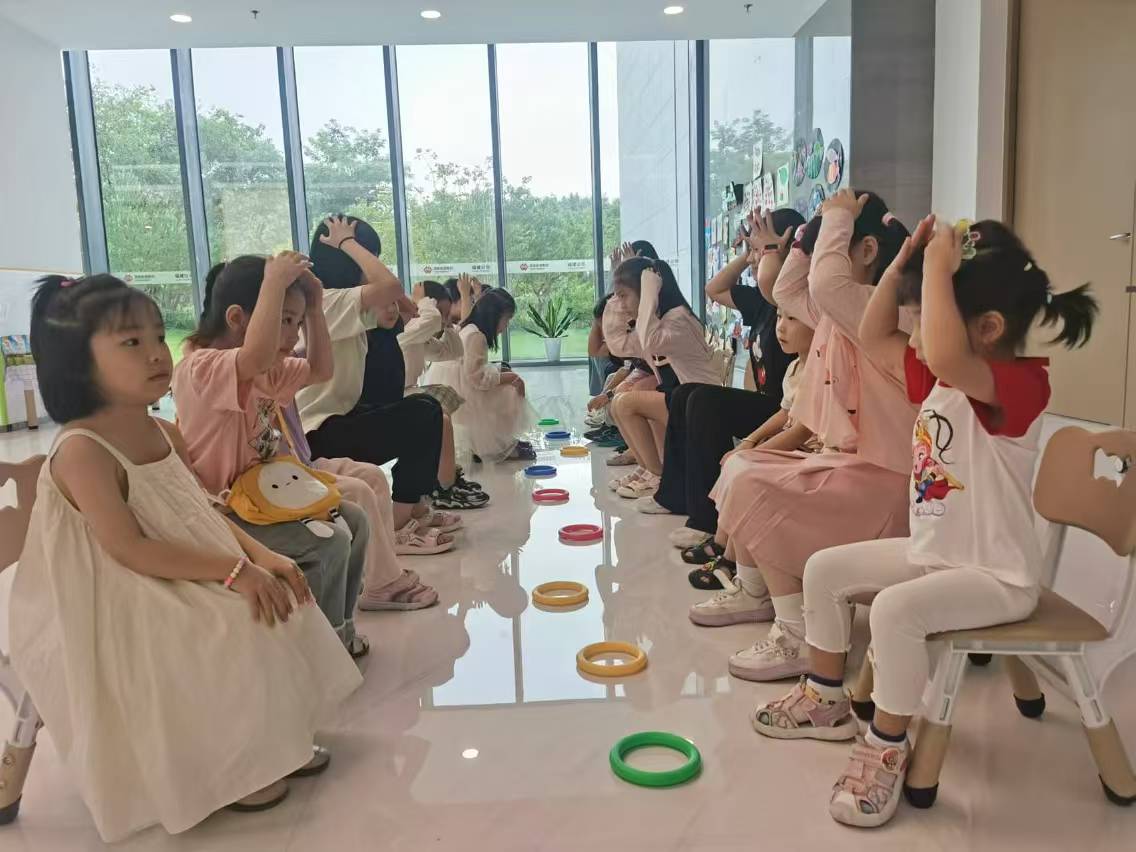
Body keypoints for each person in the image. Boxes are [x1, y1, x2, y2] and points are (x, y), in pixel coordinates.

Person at [752, 217, 1097, 828]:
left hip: (997, 577)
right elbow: (871, 330)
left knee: (893, 611)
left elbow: (939, 350)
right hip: (936, 555)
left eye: (928, 317)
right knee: (824, 568)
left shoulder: (1020, 385)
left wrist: (937, 267)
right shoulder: (942, 378)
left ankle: (887, 745)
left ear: (987, 329)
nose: (913, 337)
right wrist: (906, 258)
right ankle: (827, 699)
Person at [12, 274, 362, 841]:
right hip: (110, 592)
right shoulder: (82, 451)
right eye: (131, 342)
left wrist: (260, 557)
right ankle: (233, 769)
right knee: (225, 622)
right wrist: (234, 572)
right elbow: (128, 547)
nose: (157, 353)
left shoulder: (161, 432)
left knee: (278, 593)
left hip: (179, 562)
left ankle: (275, 742)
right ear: (78, 361)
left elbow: (204, 511)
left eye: (157, 336)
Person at [689, 190, 916, 684]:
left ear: (868, 250)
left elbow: (825, 286)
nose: (818, 266)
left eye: (832, 248)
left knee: (752, 482)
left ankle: (796, 634)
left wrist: (835, 216)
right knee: (742, 467)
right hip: (854, 469)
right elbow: (788, 290)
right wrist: (800, 239)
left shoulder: (886, 309)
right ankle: (758, 592)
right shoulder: (843, 312)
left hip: (886, 483)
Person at [173, 252, 372, 657]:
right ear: (236, 318)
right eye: (284, 321)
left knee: (356, 519)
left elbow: (321, 369)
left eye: (295, 324)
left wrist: (314, 309)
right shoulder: (202, 368)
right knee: (331, 541)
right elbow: (257, 357)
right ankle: (323, 652)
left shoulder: (266, 370)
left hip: (265, 501)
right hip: (225, 513)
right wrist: (275, 281)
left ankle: (341, 631)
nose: (293, 337)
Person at [299, 216, 463, 552]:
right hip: (316, 433)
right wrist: (347, 242)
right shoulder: (327, 302)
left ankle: (412, 511)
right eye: (369, 256)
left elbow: (400, 304)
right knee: (422, 415)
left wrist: (403, 302)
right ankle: (395, 529)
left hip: (339, 419)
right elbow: (390, 287)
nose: (371, 265)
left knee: (426, 408)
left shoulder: (340, 302)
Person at [647, 207, 806, 530]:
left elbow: (774, 283)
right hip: (770, 405)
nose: (757, 257)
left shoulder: (795, 300)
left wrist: (772, 251)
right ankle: (675, 496)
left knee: (706, 402)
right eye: (754, 249)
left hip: (788, 409)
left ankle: (709, 518)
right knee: (686, 394)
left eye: (762, 248)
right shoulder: (761, 302)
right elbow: (714, 289)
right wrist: (749, 255)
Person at [685, 305, 818, 591]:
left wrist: (755, 452)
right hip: (794, 447)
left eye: (792, 318)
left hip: (809, 453)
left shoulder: (819, 371)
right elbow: (783, 413)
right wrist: (749, 441)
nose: (781, 327)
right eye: (779, 317)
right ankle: (723, 543)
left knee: (744, 467)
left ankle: (731, 556)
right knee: (736, 460)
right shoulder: (795, 367)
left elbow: (801, 431)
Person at [607, 258, 720, 499]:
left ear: (648, 291)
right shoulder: (659, 321)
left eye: (624, 296)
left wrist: (648, 292)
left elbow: (649, 341)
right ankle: (650, 469)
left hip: (705, 403)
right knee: (619, 401)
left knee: (626, 404)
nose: (621, 305)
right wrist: (622, 299)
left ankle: (659, 476)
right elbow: (619, 345)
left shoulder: (678, 319)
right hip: (683, 399)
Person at [429, 289, 537, 461]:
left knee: (508, 381)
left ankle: (500, 443)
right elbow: (477, 379)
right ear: (495, 316)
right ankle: (499, 445)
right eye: (506, 319)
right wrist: (510, 378)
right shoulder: (476, 336)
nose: (506, 325)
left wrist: (502, 373)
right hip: (462, 393)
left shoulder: (468, 328)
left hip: (454, 387)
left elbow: (473, 370)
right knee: (510, 391)